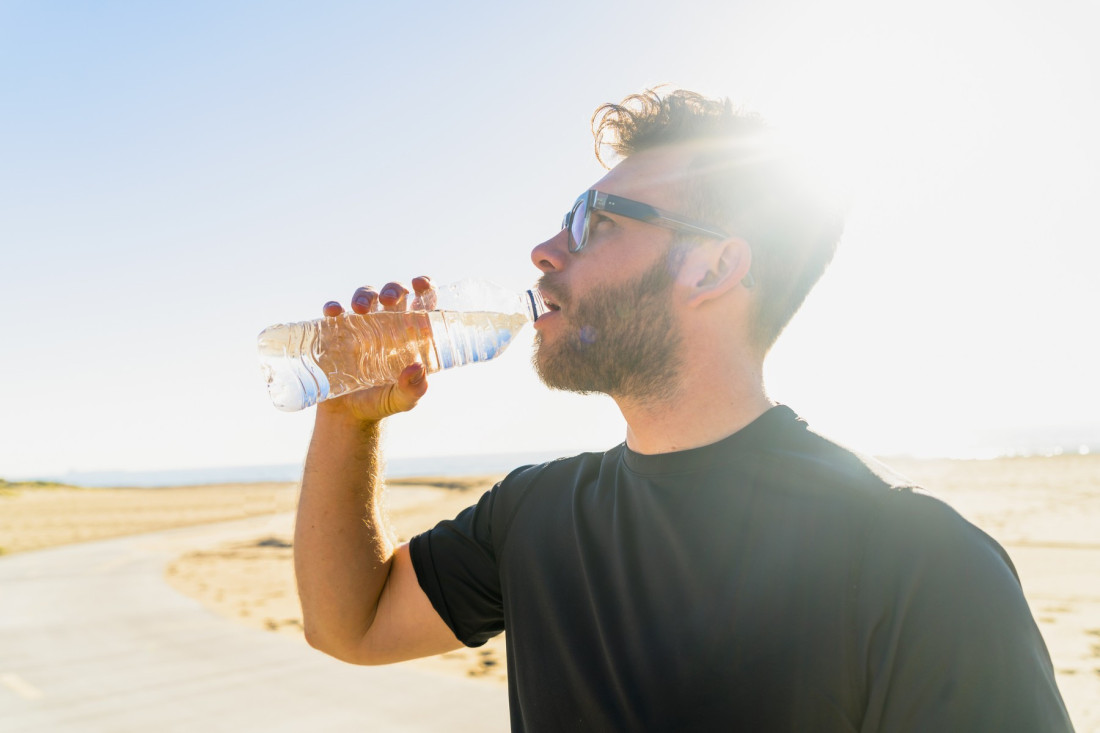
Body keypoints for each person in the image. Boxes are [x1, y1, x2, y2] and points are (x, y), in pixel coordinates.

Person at [293, 89, 1073, 731]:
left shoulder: (922, 561)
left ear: (713, 267)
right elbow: (349, 623)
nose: (544, 249)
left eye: (595, 222)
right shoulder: (534, 514)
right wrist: (348, 419)